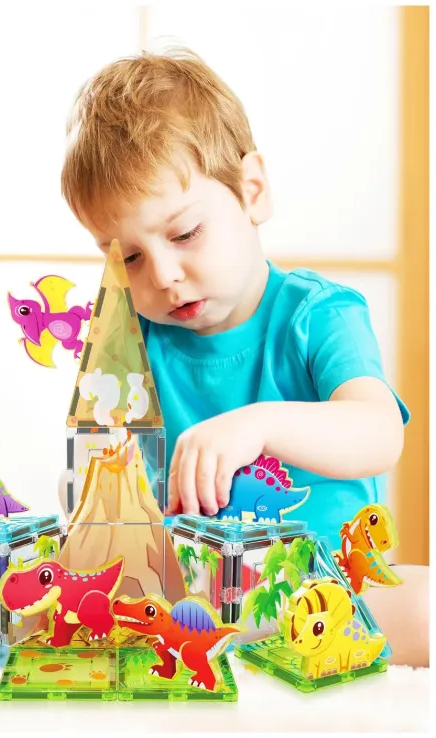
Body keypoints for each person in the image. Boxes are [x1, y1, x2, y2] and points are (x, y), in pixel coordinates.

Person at [58, 47, 428, 667]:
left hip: (330, 598)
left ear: (252, 191)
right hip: (192, 604)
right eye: (130, 258)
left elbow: (379, 433)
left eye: (184, 234)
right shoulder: (133, 343)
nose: (163, 275)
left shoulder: (319, 314)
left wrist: (259, 425)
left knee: (423, 606)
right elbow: (106, 487)